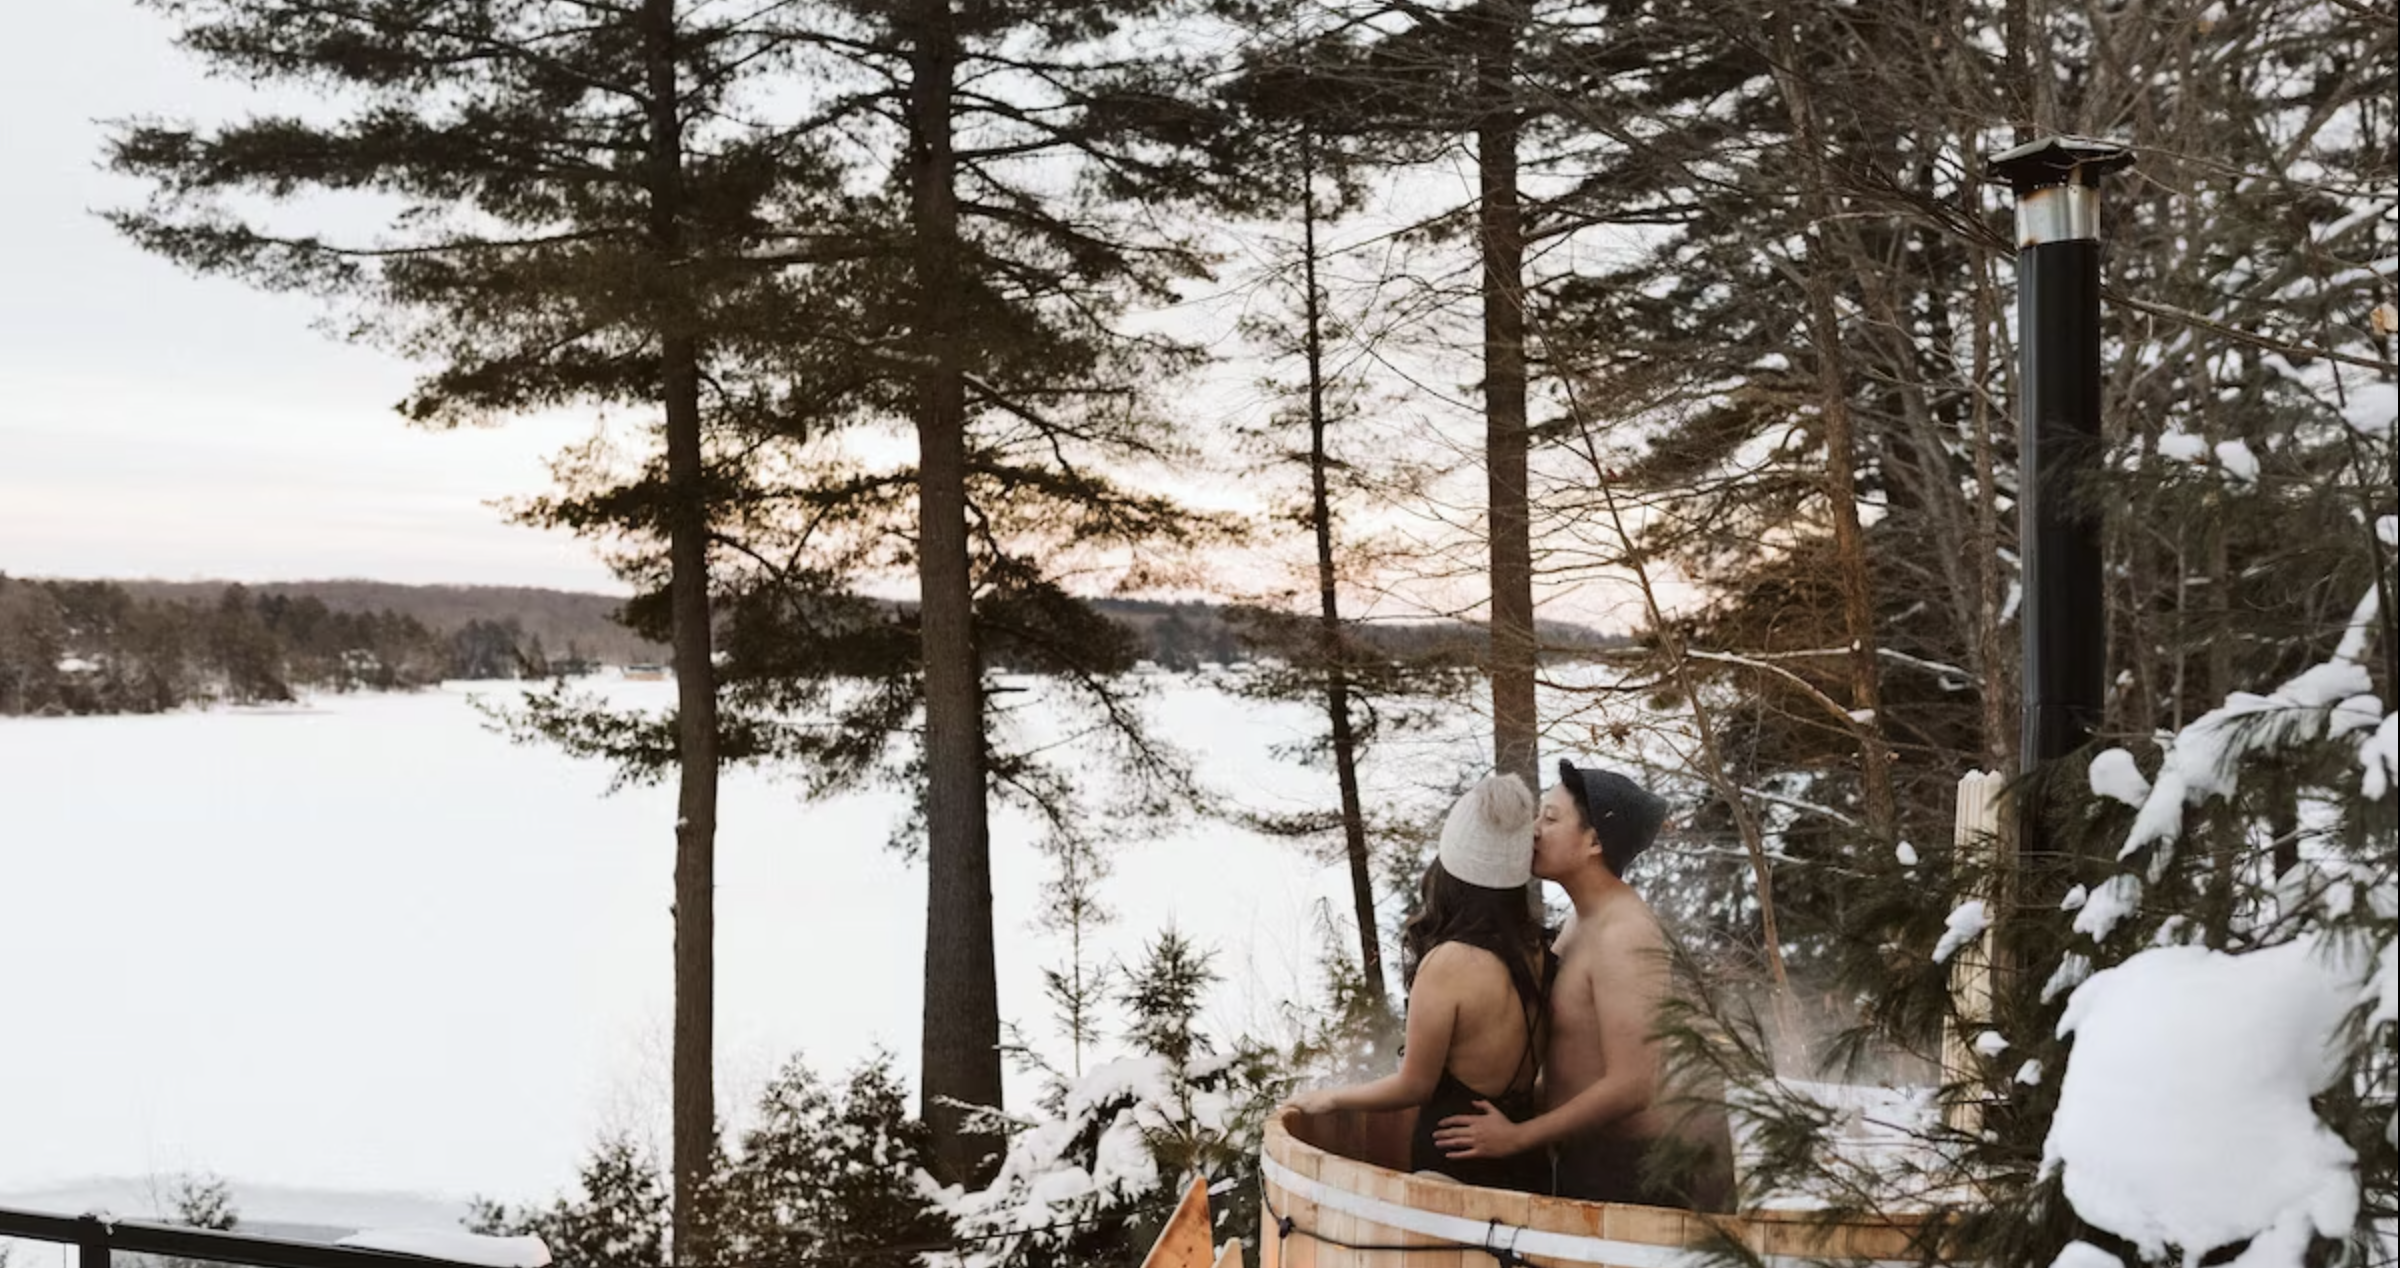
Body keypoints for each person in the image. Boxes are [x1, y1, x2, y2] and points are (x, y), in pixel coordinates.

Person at [1431, 759, 1734, 1211]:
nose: (1533, 830)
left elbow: (1635, 1084)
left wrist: (1516, 1137)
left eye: (1550, 818)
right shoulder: (1581, 920)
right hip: (1583, 1157)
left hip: (1634, 1174)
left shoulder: (1624, 934)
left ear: (1594, 841)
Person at [1284, 773, 1551, 1193]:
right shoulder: (1540, 951)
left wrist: (1334, 1098)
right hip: (1528, 1172)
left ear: (1450, 867)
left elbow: (1415, 1084)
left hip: (1452, 1176)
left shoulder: (1449, 963)